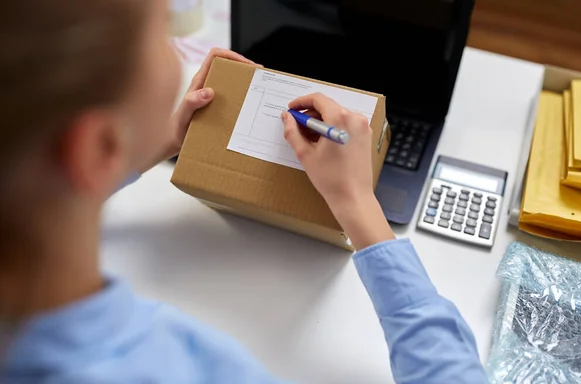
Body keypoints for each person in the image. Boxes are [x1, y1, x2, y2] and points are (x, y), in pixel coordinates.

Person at [0, 0, 488, 383]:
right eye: (162, 32)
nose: (180, 55)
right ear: (95, 147)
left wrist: (158, 144)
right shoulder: (191, 369)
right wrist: (359, 204)